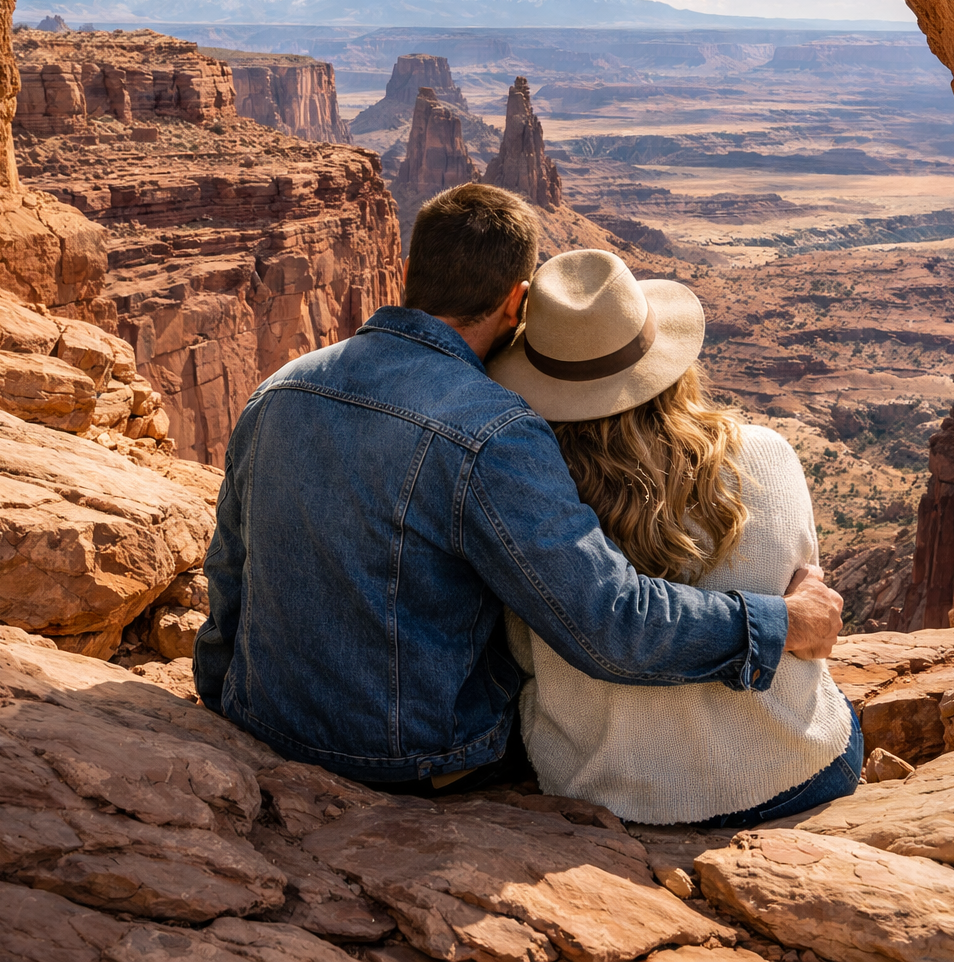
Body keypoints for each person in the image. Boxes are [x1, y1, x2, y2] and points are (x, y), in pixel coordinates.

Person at [194, 183, 843, 793]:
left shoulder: (277, 389)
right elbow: (608, 625)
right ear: (517, 302)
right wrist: (778, 622)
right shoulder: (492, 431)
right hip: (413, 760)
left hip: (262, 723)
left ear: (407, 270)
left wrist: (224, 707)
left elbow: (229, 569)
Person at [490, 247, 862, 825]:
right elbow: (809, 610)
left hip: (606, 792)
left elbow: (521, 653)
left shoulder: (533, 502)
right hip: (793, 772)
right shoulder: (769, 453)